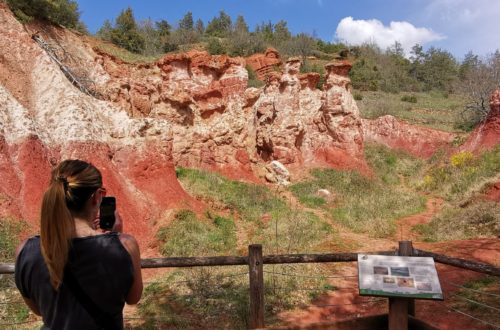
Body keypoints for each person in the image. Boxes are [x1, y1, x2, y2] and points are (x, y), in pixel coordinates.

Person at [14, 159, 143, 329]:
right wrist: (116, 237)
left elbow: (39, 310)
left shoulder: (25, 251)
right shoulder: (126, 246)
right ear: (97, 197)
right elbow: (133, 298)